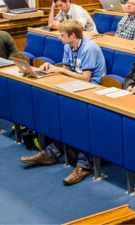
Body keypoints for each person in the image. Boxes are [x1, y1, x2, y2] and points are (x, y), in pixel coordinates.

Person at [21, 20, 106, 185]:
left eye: (62, 35)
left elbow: (86, 77)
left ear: (72, 35)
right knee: (61, 115)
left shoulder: (89, 48)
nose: (59, 38)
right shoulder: (68, 46)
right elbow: (67, 69)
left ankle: (84, 164)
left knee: (81, 121)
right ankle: (51, 153)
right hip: (75, 86)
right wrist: (52, 67)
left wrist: (59, 70)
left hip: (92, 88)